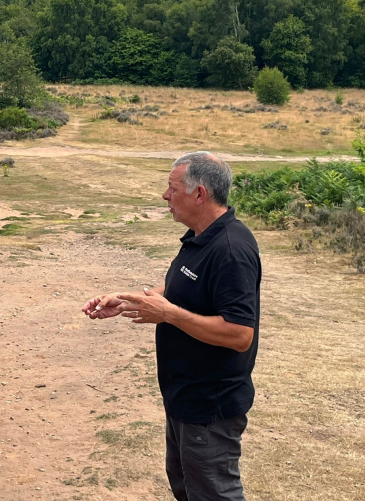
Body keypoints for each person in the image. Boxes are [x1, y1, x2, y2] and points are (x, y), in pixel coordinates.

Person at [82, 151, 261, 501]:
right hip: (184, 397)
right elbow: (184, 289)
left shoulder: (230, 249)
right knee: (187, 490)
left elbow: (240, 334)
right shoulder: (201, 237)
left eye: (172, 188)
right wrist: (129, 299)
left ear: (200, 194)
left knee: (214, 494)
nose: (165, 196)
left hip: (209, 406)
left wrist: (169, 315)